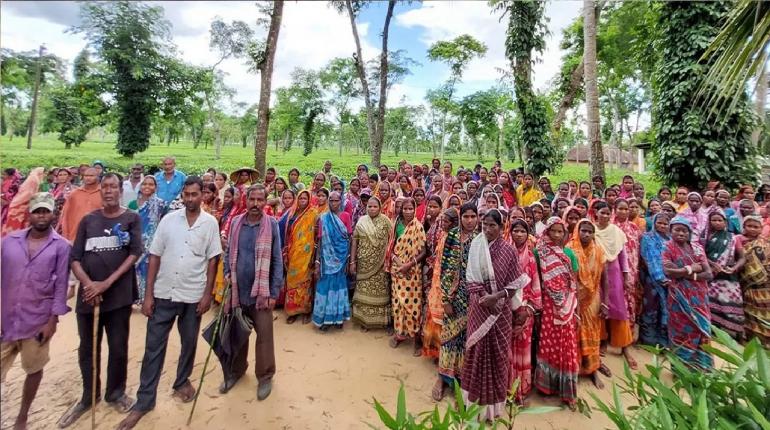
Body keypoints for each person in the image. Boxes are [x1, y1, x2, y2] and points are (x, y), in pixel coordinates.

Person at [116, 177, 222, 430]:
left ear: (203, 195)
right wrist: (149, 295)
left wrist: (207, 294)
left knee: (188, 342)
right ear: (182, 195)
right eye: (186, 194)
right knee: (153, 347)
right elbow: (154, 256)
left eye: (195, 194)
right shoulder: (168, 220)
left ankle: (181, 381)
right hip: (164, 293)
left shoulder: (210, 224)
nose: (190, 199)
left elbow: (212, 261)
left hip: (192, 295)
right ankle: (144, 401)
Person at [58, 173, 142, 428]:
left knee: (118, 347)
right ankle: (88, 396)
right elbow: (75, 257)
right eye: (104, 187)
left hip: (118, 296)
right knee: (88, 348)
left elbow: (134, 253)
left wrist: (106, 283)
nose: (108, 191)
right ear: (100, 191)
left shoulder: (131, 219)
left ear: (120, 190)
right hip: (89, 297)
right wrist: (89, 284)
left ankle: (115, 392)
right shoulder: (88, 221)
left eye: (113, 187)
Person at [1, 193, 71, 430]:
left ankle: (22, 416)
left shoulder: (62, 247)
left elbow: (61, 284)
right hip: (5, 319)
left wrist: (52, 321)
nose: (42, 216)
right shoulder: (9, 242)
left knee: (34, 368)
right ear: (29, 214)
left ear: (54, 214)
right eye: (37, 211)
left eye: (46, 211)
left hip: (37, 321)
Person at [460, 209, 529, 420]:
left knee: (498, 356)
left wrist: (497, 297)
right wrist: (485, 299)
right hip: (479, 308)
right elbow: (471, 278)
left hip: (501, 311)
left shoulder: (508, 251)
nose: (488, 229)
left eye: (493, 225)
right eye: (485, 225)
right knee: (477, 352)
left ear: (502, 227)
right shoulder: (476, 246)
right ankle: (472, 405)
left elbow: (516, 283)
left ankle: (493, 410)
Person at [220, 184, 283, 400]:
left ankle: (265, 377)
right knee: (237, 334)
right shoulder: (237, 222)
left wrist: (273, 292)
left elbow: (277, 260)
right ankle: (236, 371)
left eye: (260, 200)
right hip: (238, 290)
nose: (256, 204)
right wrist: (228, 272)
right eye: (252, 199)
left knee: (264, 336)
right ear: (246, 200)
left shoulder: (272, 225)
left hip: (261, 294)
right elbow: (228, 253)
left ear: (266, 202)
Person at [534, 217, 579, 410]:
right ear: (547, 232)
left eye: (561, 232)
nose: (557, 235)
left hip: (567, 306)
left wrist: (572, 308)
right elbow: (535, 277)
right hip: (548, 305)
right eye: (554, 231)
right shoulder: (539, 253)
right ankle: (546, 387)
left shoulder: (569, 253)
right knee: (547, 344)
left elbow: (573, 282)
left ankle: (567, 391)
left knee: (566, 345)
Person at [662, 216, 714, 370]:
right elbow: (668, 272)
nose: (681, 233)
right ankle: (681, 369)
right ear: (671, 231)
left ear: (689, 233)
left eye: (684, 230)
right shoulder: (667, 247)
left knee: (702, 329)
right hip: (678, 298)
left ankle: (702, 367)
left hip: (699, 297)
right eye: (677, 230)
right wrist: (691, 268)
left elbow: (709, 274)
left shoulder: (697, 248)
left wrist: (686, 274)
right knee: (680, 331)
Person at [592, 201, 636, 369]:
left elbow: (623, 256)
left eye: (607, 213)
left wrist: (625, 276)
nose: (605, 216)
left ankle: (624, 347)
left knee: (618, 308)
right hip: (597, 272)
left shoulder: (617, 232)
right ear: (595, 213)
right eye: (601, 212)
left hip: (614, 271)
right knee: (600, 307)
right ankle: (602, 341)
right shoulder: (592, 230)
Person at [567, 219, 608, 389]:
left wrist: (605, 302)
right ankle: (575, 370)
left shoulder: (598, 250)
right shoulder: (570, 249)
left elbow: (604, 278)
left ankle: (593, 370)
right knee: (574, 335)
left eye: (590, 232)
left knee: (592, 333)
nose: (586, 234)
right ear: (578, 230)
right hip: (574, 298)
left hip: (593, 298)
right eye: (583, 230)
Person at [387, 198, 427, 354]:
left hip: (412, 272)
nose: (408, 211)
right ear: (401, 210)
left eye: (411, 209)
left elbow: (424, 251)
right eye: (405, 209)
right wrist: (398, 262)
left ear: (415, 209)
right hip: (397, 269)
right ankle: (400, 335)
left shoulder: (418, 227)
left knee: (413, 306)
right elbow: (391, 246)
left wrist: (408, 265)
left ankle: (416, 339)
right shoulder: (396, 224)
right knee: (397, 303)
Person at [508, 218, 542, 403]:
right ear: (511, 232)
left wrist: (527, 309)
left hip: (525, 311)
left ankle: (520, 388)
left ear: (528, 234)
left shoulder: (530, 257)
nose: (519, 234)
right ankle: (506, 386)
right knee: (507, 351)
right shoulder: (505, 253)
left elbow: (535, 283)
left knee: (523, 350)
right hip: (507, 310)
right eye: (516, 231)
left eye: (522, 231)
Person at [350, 197, 393, 331]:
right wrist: (352, 261)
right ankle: (364, 321)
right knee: (363, 290)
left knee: (380, 292)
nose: (372, 209)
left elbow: (392, 242)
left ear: (380, 208)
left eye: (375, 206)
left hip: (380, 265)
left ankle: (380, 322)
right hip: (363, 263)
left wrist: (388, 261)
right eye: (369, 206)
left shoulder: (386, 221)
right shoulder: (361, 221)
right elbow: (355, 242)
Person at [702, 210, 745, 340]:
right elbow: (700, 255)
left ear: (725, 222)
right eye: (713, 220)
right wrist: (711, 264)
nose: (717, 223)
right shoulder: (705, 237)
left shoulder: (733, 237)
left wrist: (734, 268)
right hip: (711, 276)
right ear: (709, 222)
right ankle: (715, 329)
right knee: (711, 303)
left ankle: (736, 332)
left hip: (728, 276)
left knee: (733, 302)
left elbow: (742, 257)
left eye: (720, 220)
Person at [312, 191, 351, 330]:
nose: (334, 203)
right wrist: (317, 262)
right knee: (325, 287)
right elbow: (320, 241)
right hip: (326, 259)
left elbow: (349, 239)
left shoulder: (346, 216)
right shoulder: (323, 218)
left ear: (341, 201)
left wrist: (348, 259)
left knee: (339, 287)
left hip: (341, 258)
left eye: (337, 200)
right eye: (332, 200)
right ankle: (325, 319)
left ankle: (338, 318)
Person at [128, 176, 167, 304]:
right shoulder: (133, 203)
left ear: (156, 187)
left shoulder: (161, 204)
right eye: (145, 184)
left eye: (151, 184)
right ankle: (135, 297)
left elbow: (164, 223)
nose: (147, 187)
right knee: (134, 269)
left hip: (153, 243)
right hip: (135, 242)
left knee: (149, 269)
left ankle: (148, 298)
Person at [282, 190, 318, 324]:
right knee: (292, 281)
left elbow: (315, 234)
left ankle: (306, 311)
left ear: (309, 200)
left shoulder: (313, 214)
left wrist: (314, 254)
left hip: (306, 254)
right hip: (293, 253)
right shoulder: (292, 212)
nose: (303, 200)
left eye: (305, 198)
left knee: (306, 282)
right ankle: (292, 312)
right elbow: (287, 232)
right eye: (301, 198)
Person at [639, 213, 671, 347]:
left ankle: (663, 339)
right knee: (651, 307)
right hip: (651, 279)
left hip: (669, 280)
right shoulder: (647, 237)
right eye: (659, 223)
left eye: (665, 224)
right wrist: (658, 275)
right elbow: (646, 258)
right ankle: (648, 339)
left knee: (665, 310)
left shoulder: (670, 240)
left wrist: (669, 277)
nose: (662, 226)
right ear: (654, 223)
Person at [738, 215, 770, 347]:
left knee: (765, 317)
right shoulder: (738, 242)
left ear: (761, 228)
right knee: (751, 317)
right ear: (744, 227)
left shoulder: (766, 244)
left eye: (756, 227)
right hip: (749, 289)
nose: (752, 229)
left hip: (766, 288)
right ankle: (752, 345)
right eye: (749, 226)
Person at [58, 167, 102, 243]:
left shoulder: (103, 193)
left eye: (91, 176)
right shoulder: (74, 194)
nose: (88, 178)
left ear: (98, 177)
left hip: (98, 238)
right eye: (86, 175)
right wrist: (66, 237)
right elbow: (66, 216)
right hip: (75, 237)